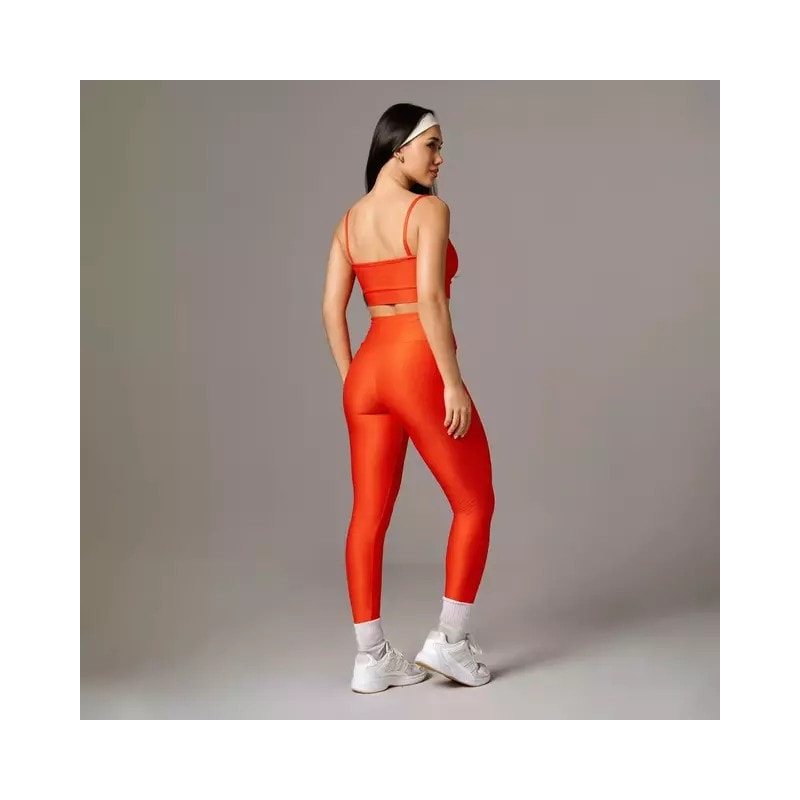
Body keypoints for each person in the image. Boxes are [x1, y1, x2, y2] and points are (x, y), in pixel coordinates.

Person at [321, 103, 496, 694]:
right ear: (398, 148)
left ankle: (371, 657)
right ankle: (451, 642)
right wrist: (451, 381)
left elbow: (331, 310)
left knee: (367, 516)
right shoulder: (429, 211)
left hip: (368, 369)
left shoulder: (349, 222)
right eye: (432, 145)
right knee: (474, 502)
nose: (440, 158)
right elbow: (431, 301)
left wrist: (352, 379)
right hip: (416, 363)